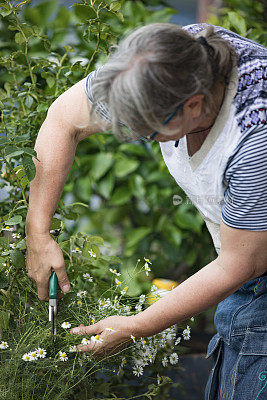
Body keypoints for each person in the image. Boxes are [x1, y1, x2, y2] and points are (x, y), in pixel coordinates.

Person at [25, 22, 267, 399]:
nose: (138, 137)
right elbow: (62, 119)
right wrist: (37, 233)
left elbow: (241, 265)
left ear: (194, 105)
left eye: (147, 132)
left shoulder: (254, 139)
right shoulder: (168, 57)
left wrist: (136, 325)